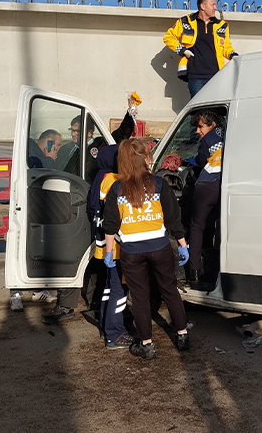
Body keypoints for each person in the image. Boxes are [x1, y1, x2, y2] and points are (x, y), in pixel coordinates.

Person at [44, 105, 137, 325]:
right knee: (74, 255)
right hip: (72, 206)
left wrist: (130, 115)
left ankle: (93, 301)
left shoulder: (98, 147)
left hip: (91, 210)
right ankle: (67, 303)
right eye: (72, 130)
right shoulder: (68, 149)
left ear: (89, 132)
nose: (73, 134)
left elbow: (118, 137)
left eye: (77, 131)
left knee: (92, 257)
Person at [102, 138, 190, 359]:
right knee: (170, 290)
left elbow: (110, 224)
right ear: (146, 159)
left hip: (131, 252)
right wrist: (182, 244)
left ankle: (147, 344)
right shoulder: (159, 184)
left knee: (140, 298)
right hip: (160, 247)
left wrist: (110, 251)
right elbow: (173, 219)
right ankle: (182, 335)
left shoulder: (117, 188)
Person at [88, 144, 133, 349]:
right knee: (119, 288)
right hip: (116, 246)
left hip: (104, 245)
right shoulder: (115, 181)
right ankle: (114, 334)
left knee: (109, 286)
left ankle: (108, 324)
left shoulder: (101, 178)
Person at [163, 0, 238, 97]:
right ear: (203, 6)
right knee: (199, 112)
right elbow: (168, 37)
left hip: (217, 76)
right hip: (196, 77)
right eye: (213, 5)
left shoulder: (222, 25)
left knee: (217, 111)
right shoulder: (186, 21)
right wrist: (182, 51)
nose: (215, 8)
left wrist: (233, 55)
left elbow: (226, 46)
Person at [185, 110, 224, 287]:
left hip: (207, 185)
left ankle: (193, 272)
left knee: (197, 226)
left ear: (212, 124)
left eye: (201, 127)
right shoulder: (227, 134)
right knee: (215, 225)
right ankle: (214, 266)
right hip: (222, 184)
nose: (198, 131)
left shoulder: (207, 141)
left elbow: (201, 162)